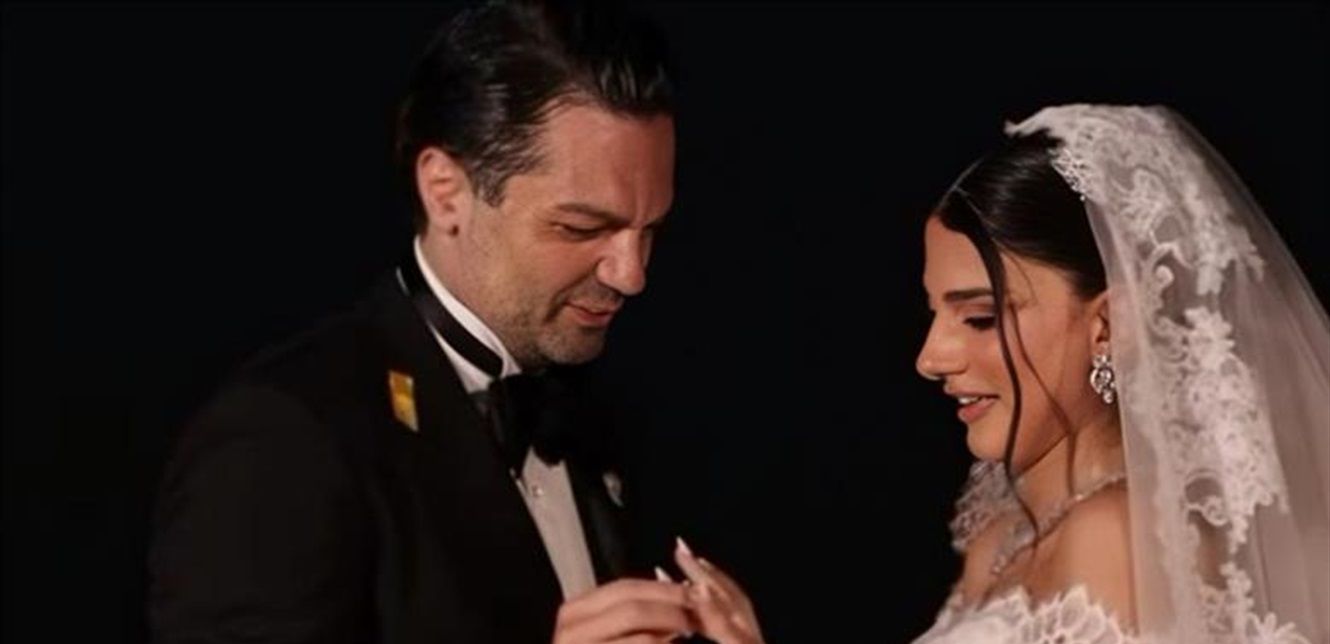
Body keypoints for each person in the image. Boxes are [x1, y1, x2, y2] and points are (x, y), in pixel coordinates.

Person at [147, 2, 698, 642]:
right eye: (580, 227)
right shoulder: (287, 436)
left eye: (650, 230)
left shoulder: (603, 420)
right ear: (445, 192)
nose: (631, 275)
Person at [681, 104, 1330, 643]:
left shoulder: (1116, 540)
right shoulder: (1002, 540)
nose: (930, 357)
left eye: (980, 318)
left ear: (1107, 326)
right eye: (934, 312)